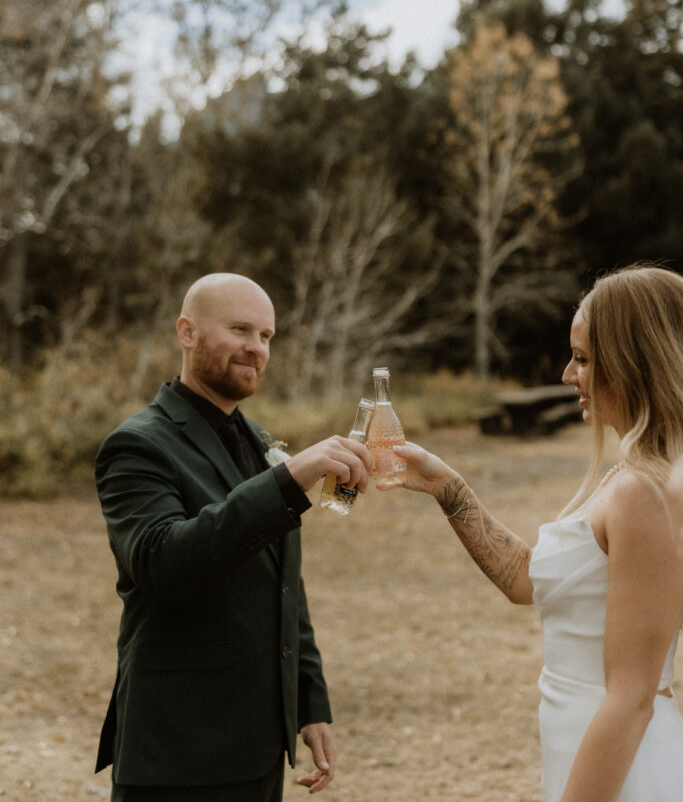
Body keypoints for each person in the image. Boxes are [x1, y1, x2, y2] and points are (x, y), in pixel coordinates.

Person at [382, 265, 683, 802]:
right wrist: (449, 489)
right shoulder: (627, 477)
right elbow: (527, 581)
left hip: (622, 766)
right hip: (583, 742)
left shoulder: (645, 492)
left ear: (634, 361)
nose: (569, 374)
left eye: (584, 358)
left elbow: (632, 696)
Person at [94, 272, 371, 802]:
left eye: (266, 336)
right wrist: (288, 480)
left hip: (260, 745)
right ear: (187, 332)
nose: (256, 348)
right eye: (240, 329)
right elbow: (162, 564)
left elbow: (284, 583)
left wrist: (309, 703)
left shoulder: (258, 440)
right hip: (178, 752)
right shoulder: (136, 445)